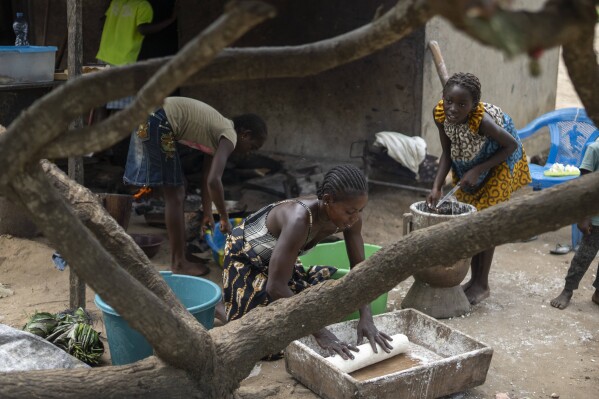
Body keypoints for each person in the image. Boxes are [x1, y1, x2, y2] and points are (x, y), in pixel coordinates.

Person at [221, 164, 393, 359]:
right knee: (270, 344)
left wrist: (367, 317)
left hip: (278, 262)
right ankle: (223, 307)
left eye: (360, 210)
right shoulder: (299, 220)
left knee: (322, 304)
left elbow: (359, 270)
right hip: (246, 256)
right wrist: (321, 333)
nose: (355, 218)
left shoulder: (351, 220)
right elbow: (276, 287)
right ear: (328, 200)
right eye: (350, 211)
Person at [123, 97, 267, 276]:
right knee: (175, 193)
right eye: (252, 147)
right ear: (244, 134)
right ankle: (178, 262)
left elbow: (208, 177)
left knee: (178, 187)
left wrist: (207, 212)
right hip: (158, 119)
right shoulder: (229, 135)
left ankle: (181, 255)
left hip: (150, 116)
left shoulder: (217, 133)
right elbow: (215, 181)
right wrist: (223, 217)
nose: (249, 153)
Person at [427, 72, 531, 305]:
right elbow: (446, 152)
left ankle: (482, 284)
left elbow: (511, 146)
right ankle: (473, 281)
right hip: (469, 161)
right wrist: (436, 187)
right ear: (443, 97)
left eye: (462, 104)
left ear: (474, 106)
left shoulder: (483, 122)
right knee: (470, 218)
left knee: (485, 222)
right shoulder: (441, 115)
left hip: (500, 162)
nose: (453, 108)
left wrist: (479, 169)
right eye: (449, 101)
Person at [550, 140, 599, 310]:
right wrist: (583, 216)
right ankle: (567, 290)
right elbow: (584, 186)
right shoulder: (595, 149)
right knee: (583, 256)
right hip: (595, 219)